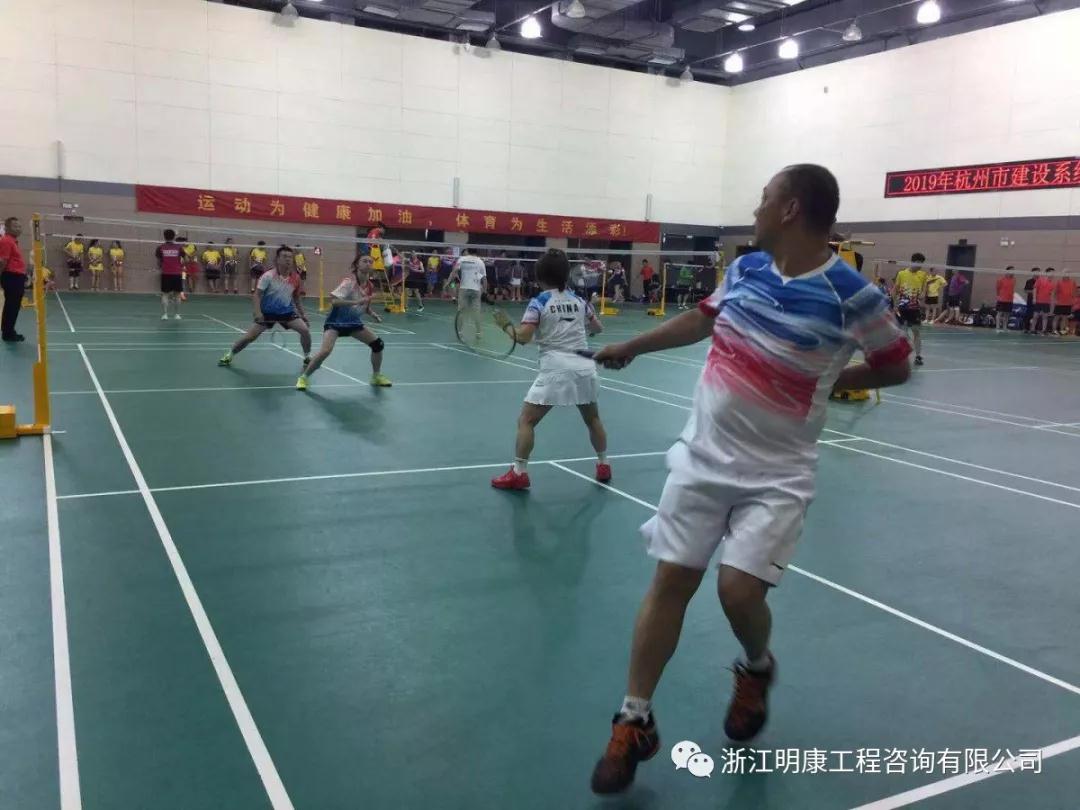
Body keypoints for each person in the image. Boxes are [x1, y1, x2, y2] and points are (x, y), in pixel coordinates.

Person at [587, 164, 912, 795]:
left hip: (778, 474)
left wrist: (830, 383)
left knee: (737, 592)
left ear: (790, 210)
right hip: (703, 458)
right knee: (672, 579)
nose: (756, 209)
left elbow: (895, 366)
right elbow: (703, 320)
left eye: (764, 199)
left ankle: (757, 667)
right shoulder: (745, 270)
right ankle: (634, 718)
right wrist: (634, 345)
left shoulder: (853, 296)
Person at [491, 249, 609, 490]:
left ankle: (519, 472)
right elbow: (598, 328)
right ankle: (604, 464)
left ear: (540, 277)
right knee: (593, 419)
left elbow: (523, 337)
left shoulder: (539, 302)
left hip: (556, 369)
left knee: (526, 420)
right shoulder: (580, 301)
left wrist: (505, 326)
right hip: (585, 368)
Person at [297, 254, 391, 391]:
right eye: (364, 261)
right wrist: (355, 302)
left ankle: (376, 376)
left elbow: (364, 305)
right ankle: (303, 378)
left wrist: (372, 314)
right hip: (335, 323)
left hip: (354, 323)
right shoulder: (349, 283)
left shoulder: (369, 286)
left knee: (378, 345)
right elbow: (334, 301)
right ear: (357, 265)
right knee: (325, 351)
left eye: (370, 262)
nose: (368, 263)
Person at [219, 245, 311, 368]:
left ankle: (307, 357)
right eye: (284, 256)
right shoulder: (269, 275)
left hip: (286, 313)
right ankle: (230, 354)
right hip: (267, 313)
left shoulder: (296, 278)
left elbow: (296, 298)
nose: (288, 259)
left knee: (305, 330)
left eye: (290, 257)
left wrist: (303, 314)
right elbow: (257, 295)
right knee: (250, 337)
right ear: (277, 259)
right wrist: (258, 313)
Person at [444, 248, 488, 340]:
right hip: (476, 290)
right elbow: (484, 279)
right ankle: (478, 333)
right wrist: (485, 292)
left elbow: (454, 272)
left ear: (468, 252)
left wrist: (447, 283)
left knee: (461, 311)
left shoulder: (462, 259)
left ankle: (460, 332)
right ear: (476, 252)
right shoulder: (480, 262)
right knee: (476, 312)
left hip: (464, 289)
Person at [892, 253, 927, 366]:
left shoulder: (923, 275)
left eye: (922, 263)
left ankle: (918, 356)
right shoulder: (902, 274)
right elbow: (895, 289)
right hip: (902, 308)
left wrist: (922, 295)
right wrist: (894, 305)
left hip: (914, 308)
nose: (920, 265)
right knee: (902, 332)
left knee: (916, 331)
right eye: (918, 263)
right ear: (913, 262)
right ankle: (903, 355)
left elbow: (924, 291)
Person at [0, 216, 27, 342]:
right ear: (7, 228)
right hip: (12, 277)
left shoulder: (13, 241)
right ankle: (8, 333)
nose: (18, 229)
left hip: (16, 277)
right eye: (15, 226)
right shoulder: (6, 241)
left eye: (19, 226)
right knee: (12, 306)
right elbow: (2, 261)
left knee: (13, 306)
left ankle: (9, 330)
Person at [155, 229, 185, 320]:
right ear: (174, 237)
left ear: (164, 236)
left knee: (165, 294)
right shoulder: (179, 247)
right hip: (177, 274)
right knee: (177, 295)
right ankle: (177, 314)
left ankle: (165, 314)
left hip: (166, 274)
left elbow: (158, 261)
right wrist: (180, 265)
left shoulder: (160, 248)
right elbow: (185, 259)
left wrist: (161, 266)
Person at [1030, 268, 1054, 335]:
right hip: (1038, 301)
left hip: (1046, 302)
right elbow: (1035, 289)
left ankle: (1044, 330)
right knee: (1035, 316)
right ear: (1047, 273)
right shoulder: (1040, 280)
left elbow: (1051, 294)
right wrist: (1034, 298)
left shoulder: (1052, 283)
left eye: (1053, 273)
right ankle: (1032, 329)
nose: (1053, 274)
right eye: (1052, 272)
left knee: (1045, 316)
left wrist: (1051, 302)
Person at [1052, 271, 1075, 336]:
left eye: (1068, 273)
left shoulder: (1072, 282)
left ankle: (1061, 332)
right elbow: (1054, 292)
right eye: (1065, 273)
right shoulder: (1059, 282)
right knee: (1056, 317)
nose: (1066, 275)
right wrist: (1055, 300)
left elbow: (1074, 293)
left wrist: (1073, 302)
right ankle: (1054, 331)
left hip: (1068, 304)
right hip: (1059, 303)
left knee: (1064, 318)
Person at [995, 267, 1016, 332]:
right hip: (1002, 299)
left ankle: (1004, 327)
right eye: (1011, 270)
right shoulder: (1000, 279)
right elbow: (997, 288)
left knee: (1007, 314)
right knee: (999, 313)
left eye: (1014, 271)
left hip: (1009, 299)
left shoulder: (1014, 280)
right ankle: (997, 327)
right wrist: (998, 296)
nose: (1013, 272)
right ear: (1007, 271)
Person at [1023, 268, 1040, 333]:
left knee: (1036, 315)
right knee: (1028, 314)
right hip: (1030, 300)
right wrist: (1034, 292)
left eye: (1038, 272)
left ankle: (1034, 329)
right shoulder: (1029, 281)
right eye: (1036, 272)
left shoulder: (1040, 281)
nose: (1037, 274)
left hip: (1039, 301)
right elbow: (1025, 290)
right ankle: (1026, 328)